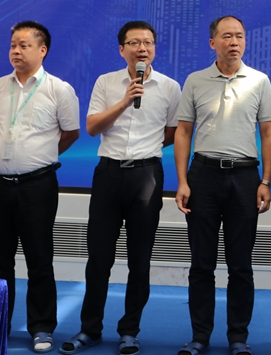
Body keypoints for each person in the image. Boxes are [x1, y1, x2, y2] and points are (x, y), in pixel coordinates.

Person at [61, 21, 181, 355]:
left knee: (139, 260)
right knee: (99, 258)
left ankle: (130, 330)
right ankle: (90, 328)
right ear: (122, 49)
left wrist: (146, 149)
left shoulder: (170, 87)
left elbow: (173, 132)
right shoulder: (106, 82)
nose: (142, 48)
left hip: (147, 175)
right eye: (135, 43)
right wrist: (125, 101)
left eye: (148, 42)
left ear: (154, 48)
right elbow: (92, 127)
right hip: (109, 174)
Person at [174, 15, 271, 355]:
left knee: (241, 265)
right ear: (212, 43)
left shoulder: (259, 81)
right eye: (227, 36)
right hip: (203, 176)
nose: (234, 42)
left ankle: (238, 337)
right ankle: (200, 336)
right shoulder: (195, 80)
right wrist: (182, 181)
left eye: (240, 36)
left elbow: (268, 133)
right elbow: (183, 132)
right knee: (201, 264)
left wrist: (266, 181)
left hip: (245, 178)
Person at [0, 20, 80, 353]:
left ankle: (41, 327)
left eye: (24, 45)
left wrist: (39, 155)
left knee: (39, 259)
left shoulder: (59, 89)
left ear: (42, 50)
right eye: (13, 45)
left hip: (37, 185)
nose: (16, 51)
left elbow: (71, 133)